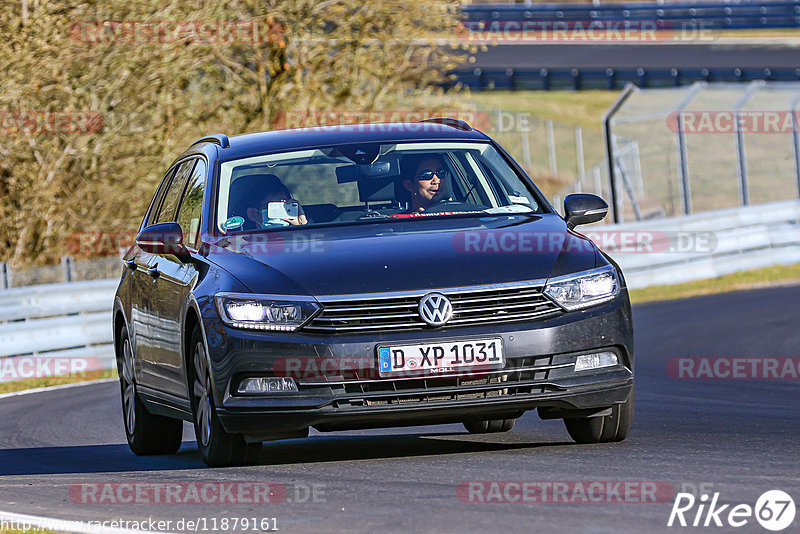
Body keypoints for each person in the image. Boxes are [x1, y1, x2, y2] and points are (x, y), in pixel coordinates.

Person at [227, 174, 307, 231]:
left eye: (286, 207)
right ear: (253, 214)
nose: (282, 214)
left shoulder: (300, 241)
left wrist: (302, 227)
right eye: (275, 208)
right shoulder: (242, 247)